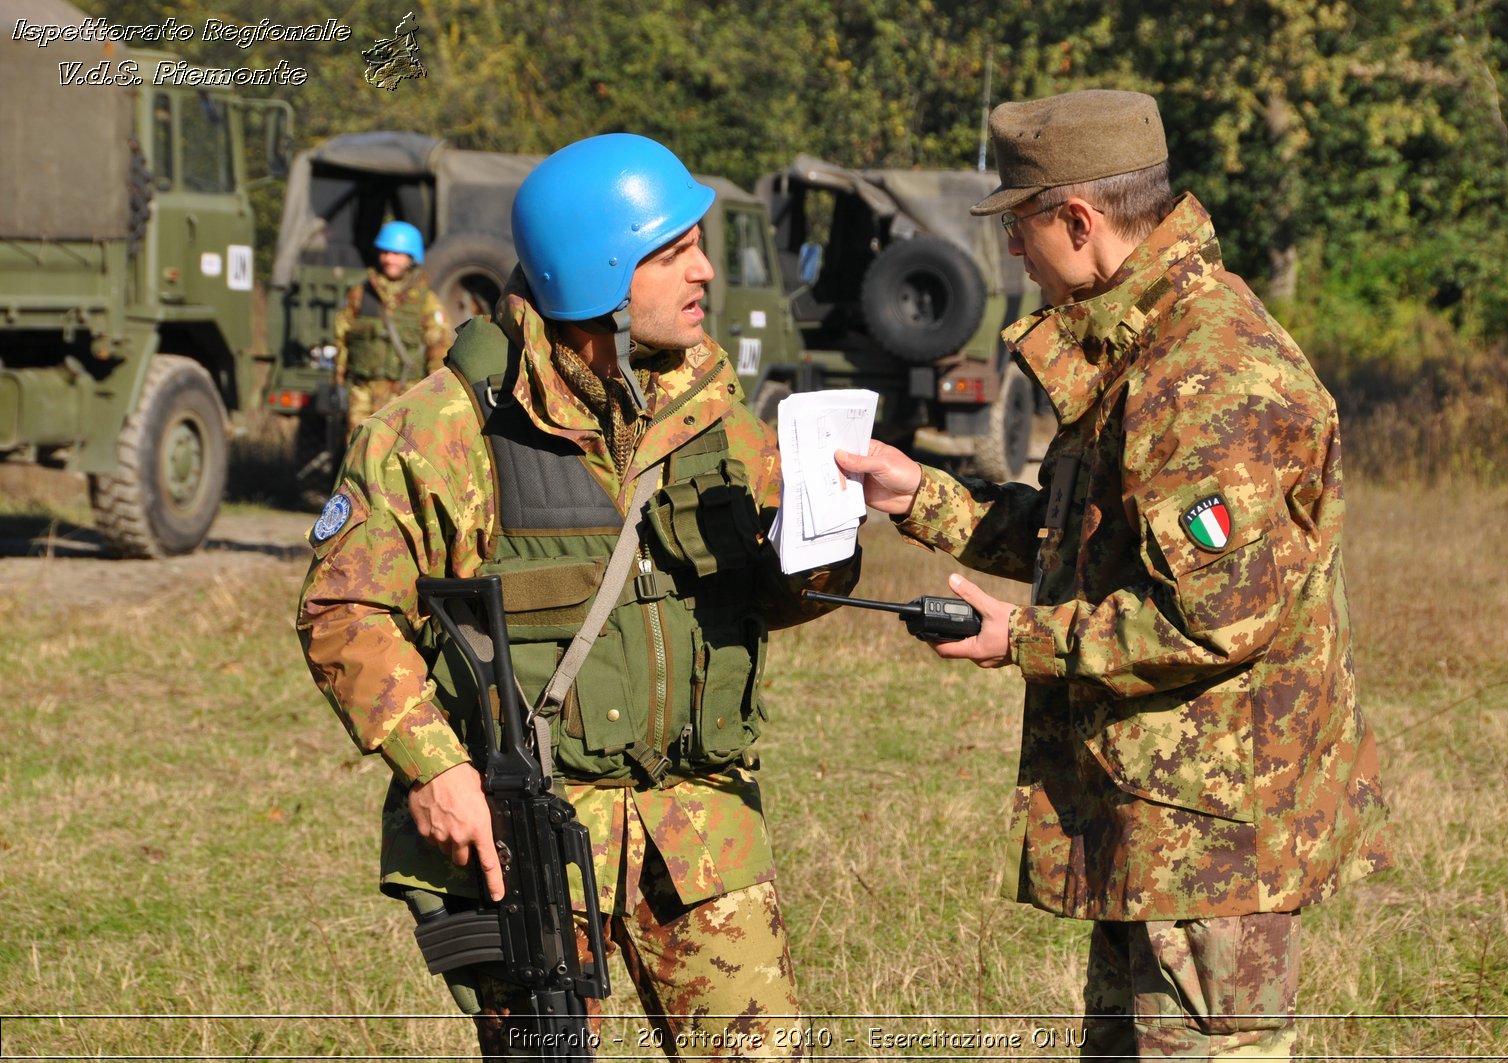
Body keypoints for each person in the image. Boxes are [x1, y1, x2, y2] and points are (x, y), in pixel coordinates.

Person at [836, 90, 1393, 1058]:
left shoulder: (1205, 374)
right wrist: (918, 495)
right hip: (1162, 817)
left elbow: (1215, 619)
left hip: (1211, 840)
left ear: (1077, 221)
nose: (1013, 255)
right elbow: (1088, 539)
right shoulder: (1147, 343)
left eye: (1020, 228)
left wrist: (1022, 638)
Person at [298, 133, 859, 1058]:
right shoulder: (442, 430)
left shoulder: (713, 411)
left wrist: (825, 552)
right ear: (597, 272)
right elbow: (346, 609)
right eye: (671, 252)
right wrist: (435, 767)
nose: (705, 271)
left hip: (702, 827)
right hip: (534, 844)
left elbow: (769, 595)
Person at [330, 219, 451, 440]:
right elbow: (341, 338)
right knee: (358, 452)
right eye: (385, 252)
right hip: (363, 391)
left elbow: (439, 348)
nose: (388, 259)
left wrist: (435, 397)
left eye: (397, 254)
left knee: (399, 453)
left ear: (411, 257)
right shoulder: (360, 294)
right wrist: (337, 383)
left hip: (407, 393)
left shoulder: (425, 300)